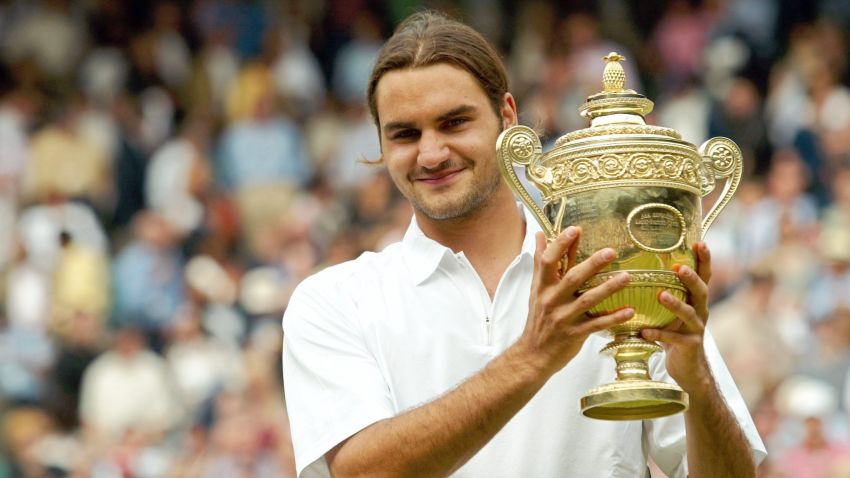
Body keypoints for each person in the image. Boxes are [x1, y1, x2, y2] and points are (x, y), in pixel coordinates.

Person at [282, 11, 766, 478]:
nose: (431, 153)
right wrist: (533, 356)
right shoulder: (334, 301)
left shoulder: (611, 271)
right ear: (382, 146)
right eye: (405, 134)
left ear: (507, 117)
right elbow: (364, 473)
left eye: (454, 123)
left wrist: (696, 379)